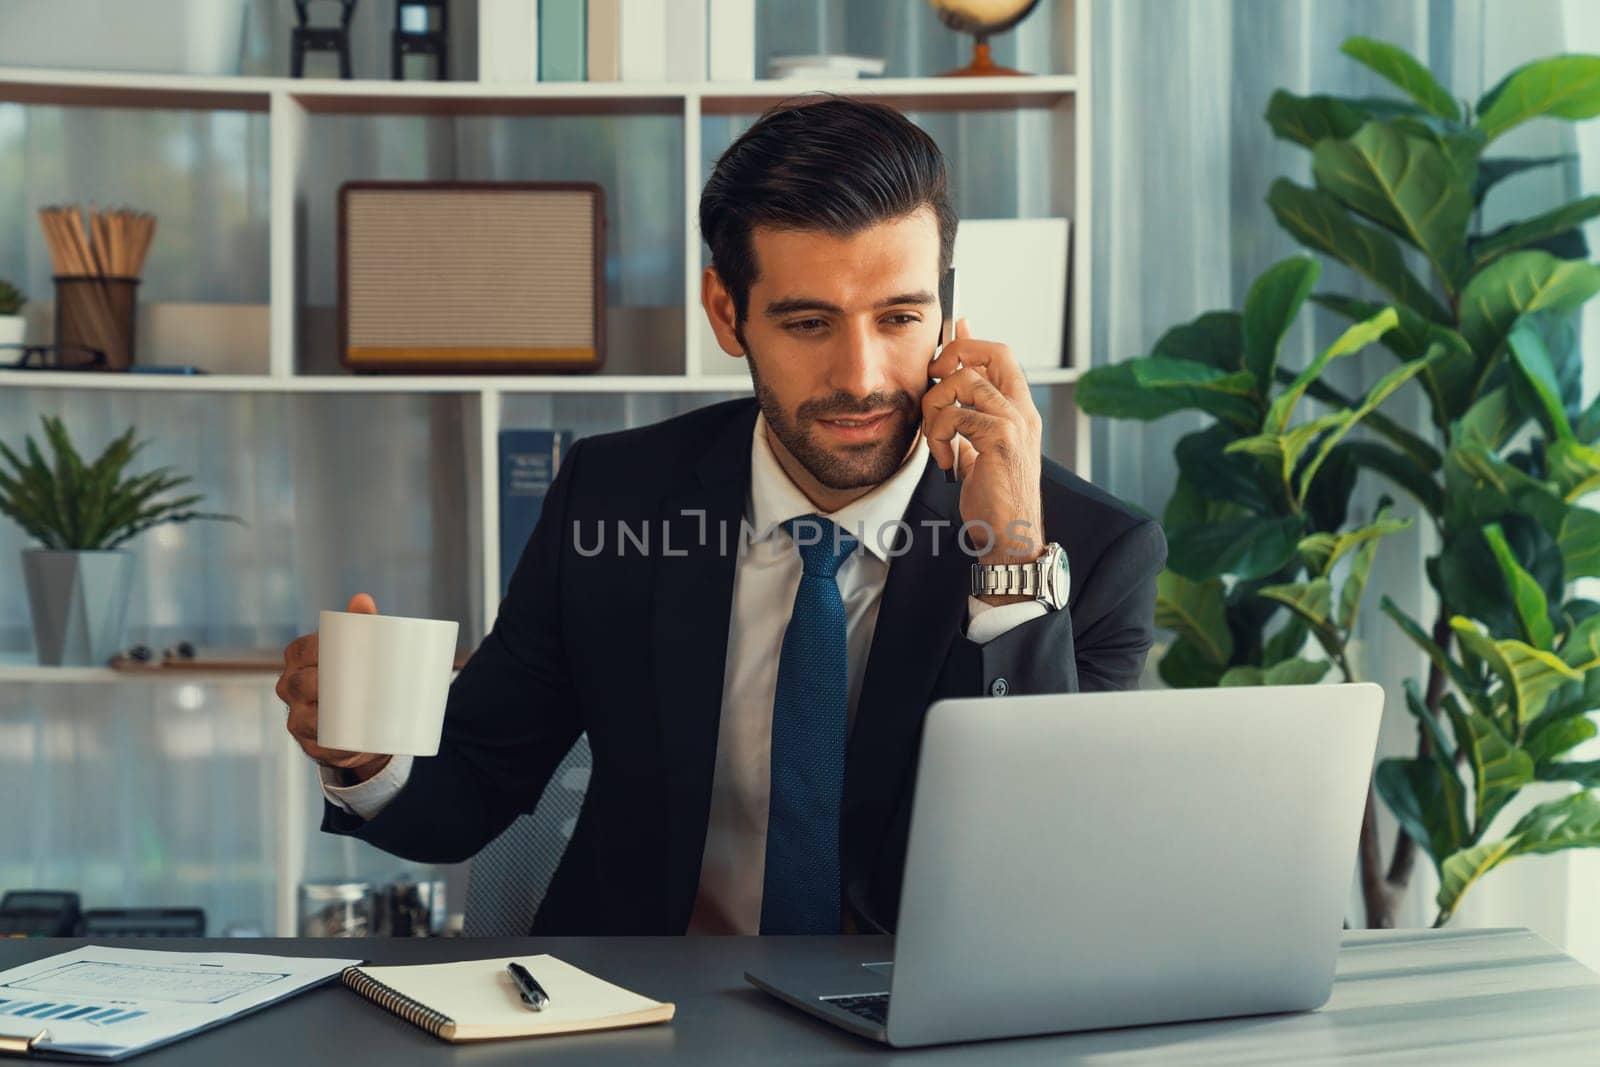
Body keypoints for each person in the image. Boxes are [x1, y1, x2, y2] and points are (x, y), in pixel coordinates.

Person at [277, 95, 1167, 937]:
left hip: (924, 1019)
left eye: (900, 316)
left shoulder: (1088, 551)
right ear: (725, 312)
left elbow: (1054, 862)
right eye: (809, 323)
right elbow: (474, 781)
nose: (861, 374)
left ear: (947, 307)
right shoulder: (612, 496)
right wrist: (366, 756)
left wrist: (1010, 552)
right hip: (642, 1014)